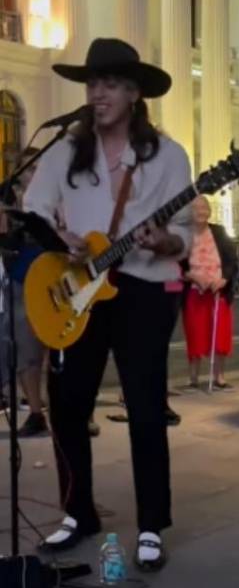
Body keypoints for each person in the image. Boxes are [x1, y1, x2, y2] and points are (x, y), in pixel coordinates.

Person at [26, 38, 192, 571]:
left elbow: (185, 232)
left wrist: (164, 241)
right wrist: (64, 239)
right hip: (78, 288)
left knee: (145, 406)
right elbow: (34, 207)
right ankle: (77, 513)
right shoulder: (66, 150)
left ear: (134, 94)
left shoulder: (168, 156)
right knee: (68, 405)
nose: (98, 94)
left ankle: (151, 525)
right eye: (93, 84)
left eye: (111, 85)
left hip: (142, 290)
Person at [0, 146, 49, 437]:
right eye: (29, 169)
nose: (35, 174)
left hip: (55, 278)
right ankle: (35, 412)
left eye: (39, 168)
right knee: (24, 347)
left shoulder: (56, 198)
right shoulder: (10, 203)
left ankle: (78, 414)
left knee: (60, 351)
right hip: (21, 279)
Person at [180, 196, 238, 391]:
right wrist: (193, 277)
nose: (201, 211)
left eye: (204, 207)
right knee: (195, 333)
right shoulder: (184, 235)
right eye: (196, 208)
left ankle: (219, 377)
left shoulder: (219, 232)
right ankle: (193, 378)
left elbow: (231, 260)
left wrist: (224, 279)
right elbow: (178, 265)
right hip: (194, 290)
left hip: (217, 290)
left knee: (220, 333)